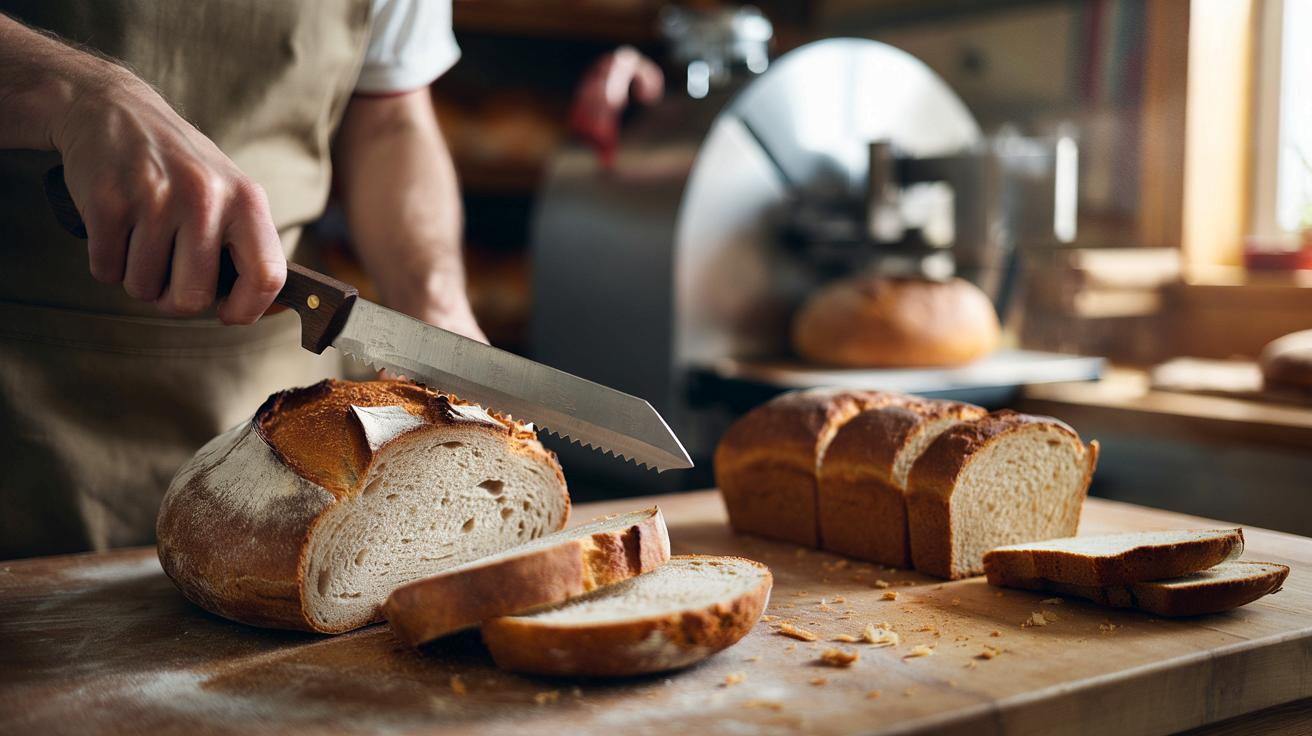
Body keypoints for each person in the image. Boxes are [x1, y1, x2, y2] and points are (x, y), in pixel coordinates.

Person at [0, 2, 663, 560]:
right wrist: (82, 92)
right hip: (23, 399)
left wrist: (436, 309)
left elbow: (391, 114)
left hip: (264, 420)